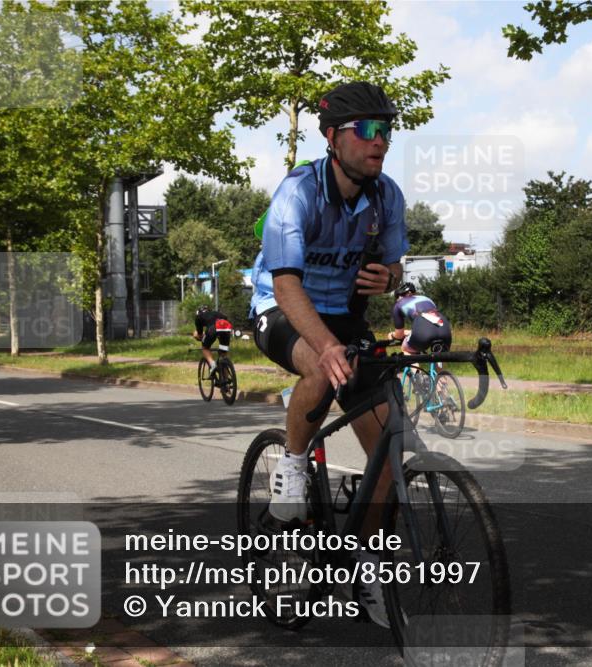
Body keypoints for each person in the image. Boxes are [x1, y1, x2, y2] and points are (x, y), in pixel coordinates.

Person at [248, 81, 408, 627]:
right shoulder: (297, 193)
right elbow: (287, 284)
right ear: (330, 137)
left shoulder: (386, 196)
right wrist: (325, 342)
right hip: (282, 307)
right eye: (365, 129)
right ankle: (292, 469)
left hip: (345, 315)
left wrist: (389, 277)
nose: (379, 141)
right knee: (321, 363)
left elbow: (396, 271)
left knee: (389, 452)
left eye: (386, 129)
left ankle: (363, 567)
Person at [387, 282, 452, 354]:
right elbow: (430, 322)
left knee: (405, 349)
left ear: (399, 296)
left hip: (423, 332)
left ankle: (414, 364)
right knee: (439, 355)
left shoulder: (398, 304)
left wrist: (392, 335)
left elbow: (399, 335)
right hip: (444, 329)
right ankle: (438, 363)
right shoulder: (427, 299)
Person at [192, 305, 233, 378]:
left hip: (213, 328)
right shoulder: (216, 313)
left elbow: (200, 334)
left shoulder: (198, 317)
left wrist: (196, 336)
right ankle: (225, 382)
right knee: (223, 354)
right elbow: (226, 320)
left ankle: (212, 364)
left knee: (205, 347)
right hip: (227, 328)